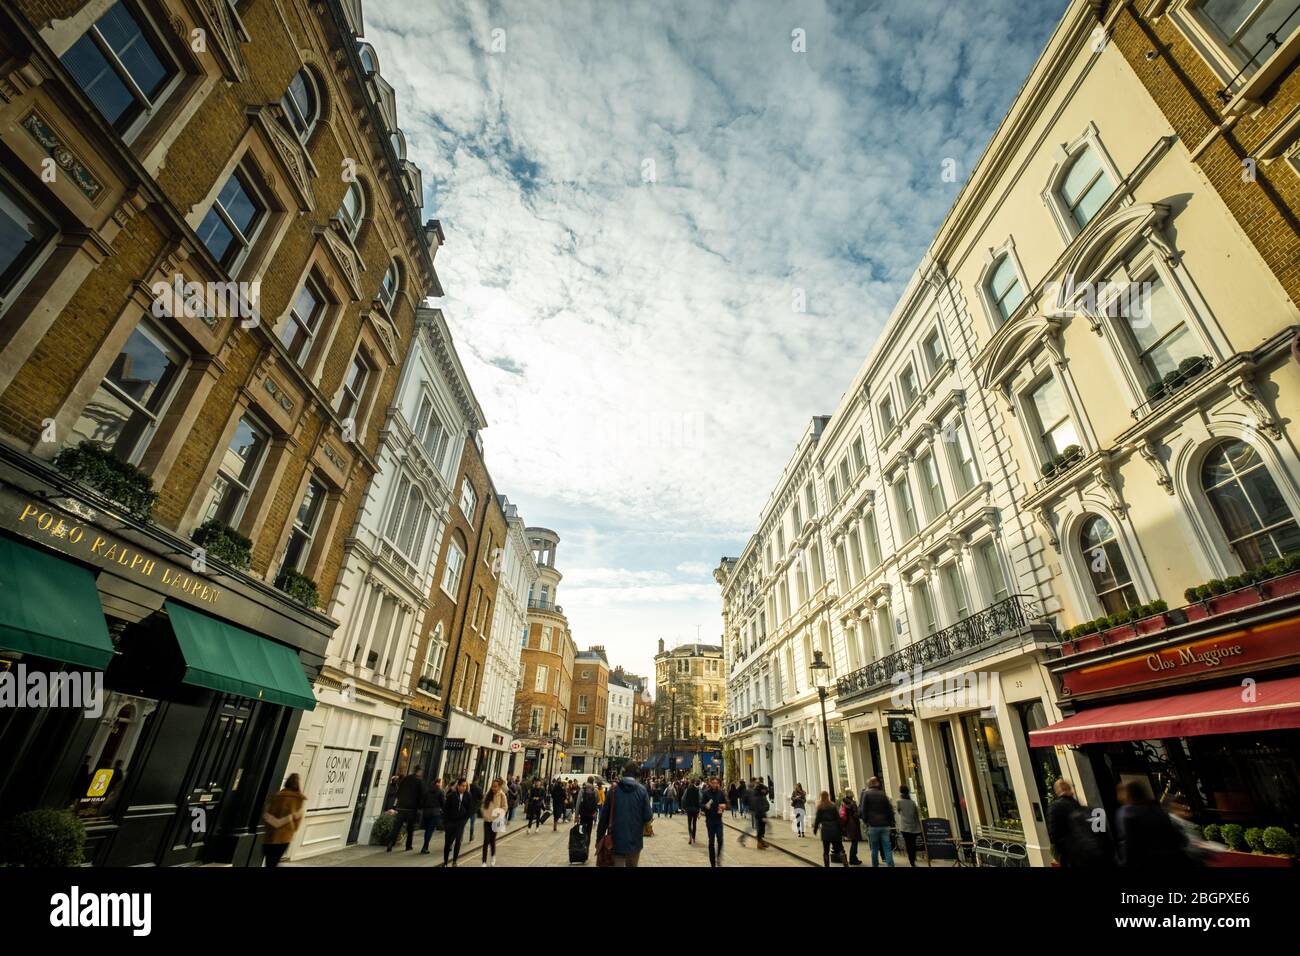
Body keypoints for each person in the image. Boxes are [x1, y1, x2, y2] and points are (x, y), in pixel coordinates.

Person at [1115, 780, 1193, 867]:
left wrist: (1123, 862)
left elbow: (1128, 845)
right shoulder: (1157, 809)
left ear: (1125, 795)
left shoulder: (1126, 813)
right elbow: (1178, 838)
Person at [595, 763, 654, 867]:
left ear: (623, 772)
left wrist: (599, 838)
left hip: (615, 841)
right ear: (636, 774)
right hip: (634, 841)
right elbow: (648, 816)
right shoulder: (642, 790)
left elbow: (603, 817)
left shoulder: (613, 790)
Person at [1046, 779, 1110, 867]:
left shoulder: (1054, 808)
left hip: (1074, 858)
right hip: (1094, 856)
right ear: (1070, 789)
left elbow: (1053, 836)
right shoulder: (1082, 807)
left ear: (1057, 791)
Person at [261, 773, 306, 867]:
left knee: (269, 862)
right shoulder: (298, 799)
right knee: (274, 862)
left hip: (270, 836)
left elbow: (266, 815)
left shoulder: (276, 796)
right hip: (284, 837)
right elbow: (297, 821)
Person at [386, 766, 427, 853]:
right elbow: (422, 795)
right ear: (419, 772)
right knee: (410, 828)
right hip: (411, 809)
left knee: (396, 827)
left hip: (401, 807)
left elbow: (399, 792)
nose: (421, 773)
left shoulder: (405, 779)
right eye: (421, 772)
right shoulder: (419, 781)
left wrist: (398, 803)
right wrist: (420, 806)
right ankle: (408, 846)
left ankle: (390, 844)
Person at [861, 776, 895, 867]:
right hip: (884, 825)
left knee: (874, 847)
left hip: (873, 825)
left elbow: (863, 810)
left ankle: (875, 865)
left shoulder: (866, 794)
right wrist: (890, 821)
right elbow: (889, 809)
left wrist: (866, 821)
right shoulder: (882, 794)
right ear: (877, 784)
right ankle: (890, 865)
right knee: (887, 847)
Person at [442, 778, 473, 866]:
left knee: (458, 841)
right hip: (450, 822)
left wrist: (464, 821)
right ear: (458, 786)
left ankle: (455, 861)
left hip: (460, 823)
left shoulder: (468, 795)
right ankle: (445, 862)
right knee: (448, 843)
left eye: (465, 786)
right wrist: (446, 823)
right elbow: (446, 810)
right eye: (462, 786)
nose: (464, 788)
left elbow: (470, 810)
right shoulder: (451, 796)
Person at [812, 791, 845, 867]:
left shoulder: (820, 807)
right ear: (828, 796)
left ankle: (827, 865)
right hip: (835, 830)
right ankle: (845, 864)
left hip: (825, 831)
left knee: (826, 851)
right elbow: (838, 819)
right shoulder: (833, 806)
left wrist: (815, 829)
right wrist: (841, 830)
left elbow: (817, 820)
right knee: (840, 849)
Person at [701, 777, 729, 866]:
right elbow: (701, 804)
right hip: (710, 820)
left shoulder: (721, 793)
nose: (714, 784)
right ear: (710, 783)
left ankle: (718, 856)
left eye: (716, 783)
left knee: (720, 839)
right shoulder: (706, 793)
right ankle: (712, 863)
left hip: (718, 820)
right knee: (711, 842)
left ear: (718, 783)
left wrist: (724, 806)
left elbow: (726, 803)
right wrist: (705, 806)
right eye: (713, 783)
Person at [481, 777, 508, 866]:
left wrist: (499, 814)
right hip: (487, 821)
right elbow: (482, 806)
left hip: (496, 821)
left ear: (499, 787)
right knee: (485, 841)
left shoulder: (502, 795)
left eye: (495, 786)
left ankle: (493, 856)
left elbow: (505, 807)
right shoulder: (487, 794)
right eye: (492, 786)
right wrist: (484, 814)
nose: (494, 788)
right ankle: (484, 862)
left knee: (492, 840)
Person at [895, 785, 923, 867]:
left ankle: (911, 860)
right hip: (913, 826)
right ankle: (913, 859)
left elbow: (899, 812)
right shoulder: (912, 802)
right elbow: (916, 814)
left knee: (908, 843)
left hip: (905, 826)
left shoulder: (899, 801)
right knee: (913, 844)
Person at [739, 779, 769, 849]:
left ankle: (760, 841)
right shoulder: (752, 791)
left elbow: (766, 791)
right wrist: (749, 807)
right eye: (756, 782)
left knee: (755, 826)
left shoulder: (756, 791)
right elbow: (746, 800)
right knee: (754, 827)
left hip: (756, 810)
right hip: (755, 811)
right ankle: (759, 842)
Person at [420, 777, 445, 854]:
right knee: (430, 831)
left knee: (427, 830)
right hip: (435, 813)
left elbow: (423, 801)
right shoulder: (440, 792)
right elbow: (443, 803)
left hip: (426, 812)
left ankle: (425, 846)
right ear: (438, 783)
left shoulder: (427, 791)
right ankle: (425, 847)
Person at [840, 791, 863, 865]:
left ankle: (853, 858)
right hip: (853, 825)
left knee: (854, 842)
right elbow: (856, 815)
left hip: (848, 825)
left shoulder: (844, 803)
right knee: (854, 842)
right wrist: (860, 812)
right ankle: (853, 859)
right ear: (851, 795)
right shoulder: (852, 803)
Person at [681, 776, 701, 845]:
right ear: (695, 782)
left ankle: (690, 836)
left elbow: (683, 798)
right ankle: (693, 838)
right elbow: (700, 799)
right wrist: (699, 808)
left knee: (689, 823)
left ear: (690, 782)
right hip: (695, 809)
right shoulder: (697, 790)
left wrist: (683, 807)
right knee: (694, 823)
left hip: (689, 808)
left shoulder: (687, 789)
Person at [467, 775, 484, 843]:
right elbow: (481, 797)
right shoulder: (479, 788)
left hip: (467, 807)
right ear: (477, 780)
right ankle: (471, 836)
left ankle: (460, 837)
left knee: (463, 823)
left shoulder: (469, 786)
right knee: (472, 823)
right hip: (474, 808)